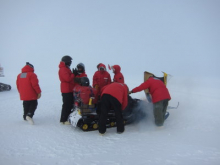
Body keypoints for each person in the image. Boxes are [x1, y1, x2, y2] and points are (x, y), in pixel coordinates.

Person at [58, 55, 75, 125]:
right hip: (66, 90)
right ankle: (63, 120)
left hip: (69, 89)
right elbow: (67, 79)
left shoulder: (66, 68)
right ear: (66, 62)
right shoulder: (63, 69)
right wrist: (73, 74)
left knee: (69, 104)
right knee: (66, 105)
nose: (70, 63)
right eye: (70, 61)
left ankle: (66, 117)